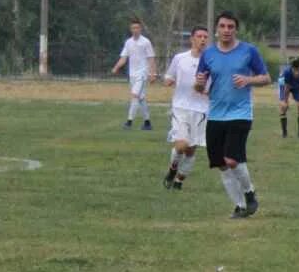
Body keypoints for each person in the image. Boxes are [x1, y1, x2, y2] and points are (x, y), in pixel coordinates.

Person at [193, 11, 270, 218]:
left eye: (230, 27)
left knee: (232, 159)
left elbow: (266, 78)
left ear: (236, 29)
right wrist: (199, 84)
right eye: (223, 26)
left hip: (240, 113)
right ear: (216, 30)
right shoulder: (208, 54)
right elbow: (199, 87)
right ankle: (239, 206)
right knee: (221, 164)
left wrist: (248, 80)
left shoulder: (249, 51)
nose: (226, 30)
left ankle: (249, 193)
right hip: (216, 114)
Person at [158, 25, 210, 190]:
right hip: (180, 107)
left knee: (190, 150)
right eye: (199, 36)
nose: (202, 39)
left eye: (205, 37)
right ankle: (173, 169)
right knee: (181, 145)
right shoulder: (180, 58)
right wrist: (168, 80)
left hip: (201, 110)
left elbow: (215, 86)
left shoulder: (211, 61)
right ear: (192, 39)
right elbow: (168, 75)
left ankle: (179, 181)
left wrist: (207, 92)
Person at [112, 19, 156, 130]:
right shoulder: (128, 42)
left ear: (140, 29)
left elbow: (151, 58)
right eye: (133, 28)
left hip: (142, 73)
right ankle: (147, 123)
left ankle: (129, 122)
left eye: (137, 28)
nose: (135, 30)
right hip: (132, 75)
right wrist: (116, 67)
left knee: (135, 96)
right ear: (130, 29)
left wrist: (152, 73)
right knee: (141, 98)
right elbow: (124, 58)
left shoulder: (146, 42)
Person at [278, 57, 299, 138]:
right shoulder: (287, 72)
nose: (296, 73)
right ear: (291, 68)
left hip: (297, 86)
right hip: (284, 85)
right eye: (294, 70)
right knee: (283, 107)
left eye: (298, 70)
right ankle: (284, 133)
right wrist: (285, 101)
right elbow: (287, 88)